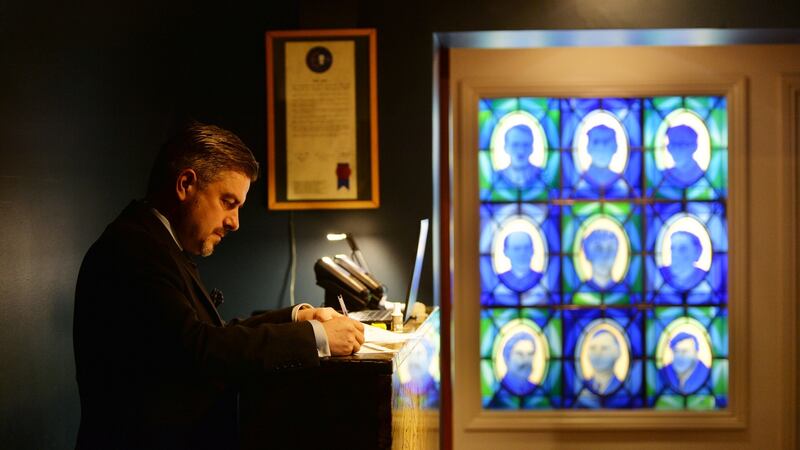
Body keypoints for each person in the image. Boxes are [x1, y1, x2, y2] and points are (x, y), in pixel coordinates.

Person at [73, 122, 365, 449]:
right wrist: (316, 338)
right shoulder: (134, 249)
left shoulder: (157, 243)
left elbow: (209, 333)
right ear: (185, 184)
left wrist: (298, 318)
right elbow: (199, 348)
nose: (235, 222)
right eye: (228, 202)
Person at [494, 124, 542, 189]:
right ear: (506, 147)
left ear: (532, 148)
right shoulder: (496, 177)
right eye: (515, 145)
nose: (521, 151)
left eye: (526, 145)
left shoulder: (544, 175)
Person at [584, 329, 624, 396]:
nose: (597, 354)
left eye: (604, 348)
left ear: (616, 353)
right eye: (593, 348)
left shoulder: (622, 389)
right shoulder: (582, 387)